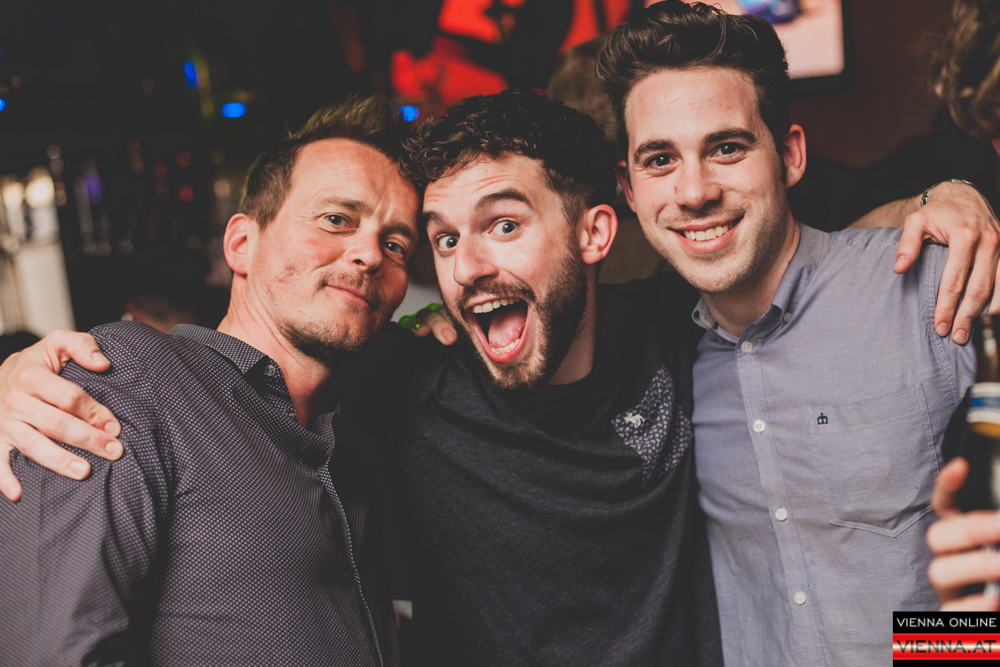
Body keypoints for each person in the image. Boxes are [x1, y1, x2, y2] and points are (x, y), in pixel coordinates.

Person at [1, 79, 999, 667]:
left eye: (505, 225)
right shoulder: (392, 382)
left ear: (596, 233)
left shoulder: (693, 335)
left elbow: (795, 256)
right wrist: (8, 374)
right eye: (440, 239)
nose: (465, 264)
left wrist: (944, 202)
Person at [592, 2, 993, 665]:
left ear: (790, 155)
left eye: (726, 148)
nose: (694, 191)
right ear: (630, 192)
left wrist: (951, 650)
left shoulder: (932, 288)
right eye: (660, 159)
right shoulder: (658, 359)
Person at [0, 97, 417, 666]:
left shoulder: (356, 430)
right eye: (336, 220)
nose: (370, 254)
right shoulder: (129, 378)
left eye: (396, 245)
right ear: (242, 244)